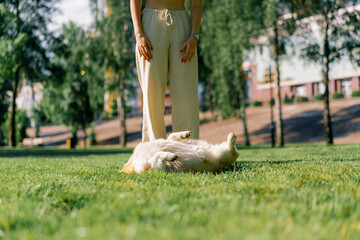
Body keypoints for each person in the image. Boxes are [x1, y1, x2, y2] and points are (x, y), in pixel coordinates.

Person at [130, 0, 203, 142]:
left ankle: (188, 150)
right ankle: (153, 150)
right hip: (151, 26)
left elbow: (196, 3)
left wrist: (194, 36)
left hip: (183, 27)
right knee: (152, 92)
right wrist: (139, 34)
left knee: (186, 93)